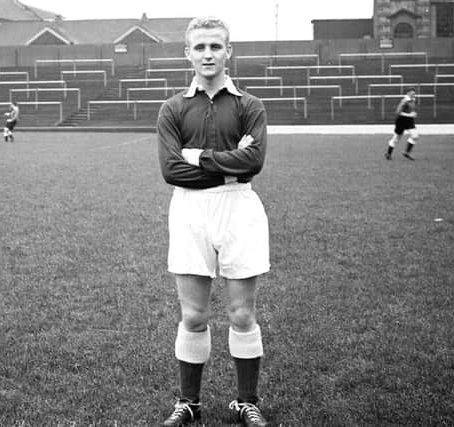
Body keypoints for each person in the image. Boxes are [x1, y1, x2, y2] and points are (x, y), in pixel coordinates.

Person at [156, 16, 270, 427]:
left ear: (228, 52)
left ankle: (246, 401)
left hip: (238, 208)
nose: (208, 54)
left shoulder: (249, 106)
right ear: (187, 53)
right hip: (189, 210)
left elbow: (254, 161)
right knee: (194, 316)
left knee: (242, 314)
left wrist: (197, 157)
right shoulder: (173, 108)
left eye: (215, 47)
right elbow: (171, 170)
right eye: (200, 47)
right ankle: (189, 401)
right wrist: (228, 164)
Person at [385, 87, 419, 160]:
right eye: (412, 94)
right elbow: (397, 112)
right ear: (408, 93)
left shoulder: (414, 100)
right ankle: (388, 153)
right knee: (396, 139)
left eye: (414, 94)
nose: (414, 95)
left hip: (409, 121)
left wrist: (413, 112)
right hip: (401, 121)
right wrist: (410, 115)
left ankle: (407, 152)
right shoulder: (404, 101)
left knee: (415, 136)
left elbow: (412, 109)